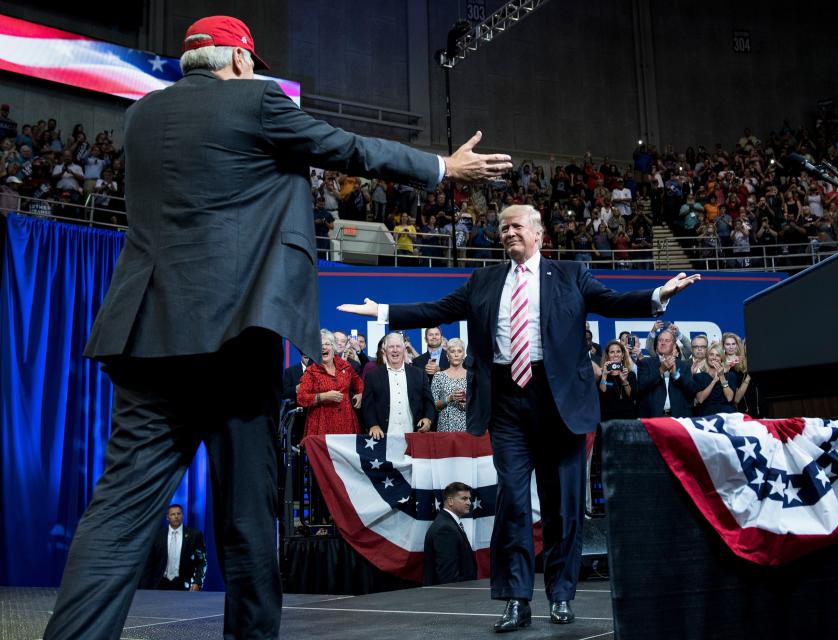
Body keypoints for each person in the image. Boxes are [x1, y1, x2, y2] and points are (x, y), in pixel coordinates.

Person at [44, 15, 512, 640]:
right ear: (239, 61)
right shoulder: (259, 99)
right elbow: (349, 149)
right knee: (246, 518)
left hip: (146, 336)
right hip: (235, 339)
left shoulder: (141, 118)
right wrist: (442, 168)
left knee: (119, 513)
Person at [338, 204, 699, 631]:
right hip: (507, 402)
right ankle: (516, 598)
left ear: (538, 234)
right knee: (511, 503)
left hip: (558, 402)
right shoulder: (485, 280)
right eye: (502, 227)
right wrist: (381, 312)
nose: (507, 232)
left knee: (563, 506)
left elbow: (612, 300)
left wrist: (659, 295)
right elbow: (435, 311)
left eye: (516, 226)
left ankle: (562, 594)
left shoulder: (570, 275)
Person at [361, 332, 436, 438]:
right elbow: (367, 405)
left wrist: (428, 418)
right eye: (391, 347)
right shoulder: (372, 375)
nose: (395, 350)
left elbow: (428, 401)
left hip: (414, 434)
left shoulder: (419, 373)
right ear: (385, 350)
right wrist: (373, 425)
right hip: (383, 435)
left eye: (398, 346)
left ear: (404, 349)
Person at [297, 330, 364, 437]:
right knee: (324, 454)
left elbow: (359, 383)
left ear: (334, 348)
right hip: (321, 424)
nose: (324, 347)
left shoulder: (346, 367)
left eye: (327, 344)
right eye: (320, 345)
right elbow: (301, 398)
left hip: (346, 422)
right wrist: (323, 396)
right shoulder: (311, 371)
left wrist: (360, 394)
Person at [140, 504, 207, 592]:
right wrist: (145, 587)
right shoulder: (157, 536)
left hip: (183, 585)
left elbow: (201, 562)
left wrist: (197, 582)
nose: (176, 517)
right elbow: (149, 563)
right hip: (159, 584)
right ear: (167, 517)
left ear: (182, 515)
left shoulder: (194, 535)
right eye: (172, 514)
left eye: (178, 514)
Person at [423, 482, 478, 586]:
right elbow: (448, 577)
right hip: (452, 597)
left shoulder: (448, 523)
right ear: (450, 501)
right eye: (464, 498)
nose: (469, 503)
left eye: (469, 499)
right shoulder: (445, 529)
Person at [636, 329, 698, 418]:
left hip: (678, 417)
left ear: (674, 345)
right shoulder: (645, 363)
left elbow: (692, 390)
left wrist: (676, 375)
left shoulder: (683, 365)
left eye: (667, 340)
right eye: (660, 340)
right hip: (653, 417)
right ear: (656, 345)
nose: (663, 343)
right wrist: (661, 370)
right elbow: (642, 387)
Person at [431, 337, 468, 432]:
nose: (456, 354)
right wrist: (449, 399)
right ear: (447, 356)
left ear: (463, 355)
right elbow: (433, 405)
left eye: (459, 351)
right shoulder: (439, 376)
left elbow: (479, 405)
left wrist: (465, 402)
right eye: (452, 351)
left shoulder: (471, 377)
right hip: (445, 428)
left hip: (468, 428)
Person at [594, 340, 637, 421]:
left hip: (628, 418)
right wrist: (604, 375)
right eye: (612, 352)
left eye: (618, 351)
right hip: (608, 418)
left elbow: (632, 397)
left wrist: (624, 381)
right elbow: (601, 395)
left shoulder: (630, 374)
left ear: (623, 354)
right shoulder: (602, 374)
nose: (615, 355)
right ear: (608, 355)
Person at [693, 342, 737, 415]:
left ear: (722, 358)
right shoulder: (699, 377)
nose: (714, 357)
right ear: (707, 357)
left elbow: (729, 398)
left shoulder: (730, 376)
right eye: (711, 354)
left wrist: (722, 376)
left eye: (717, 355)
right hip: (707, 416)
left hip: (726, 415)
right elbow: (700, 399)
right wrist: (713, 381)